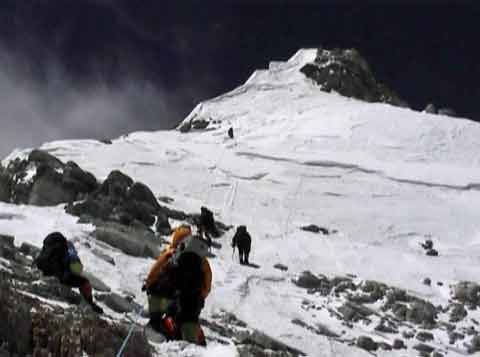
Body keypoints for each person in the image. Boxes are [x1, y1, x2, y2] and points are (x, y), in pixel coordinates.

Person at [143, 225, 212, 345]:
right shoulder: (202, 261)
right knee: (188, 319)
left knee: (158, 304)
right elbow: (207, 284)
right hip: (192, 299)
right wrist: (200, 297)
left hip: (167, 294)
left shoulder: (171, 253)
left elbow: (155, 271)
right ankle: (193, 337)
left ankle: (158, 325)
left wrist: (149, 284)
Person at [34, 232, 103, 314]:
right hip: (60, 275)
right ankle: (90, 304)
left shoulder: (50, 246)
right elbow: (77, 267)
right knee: (85, 282)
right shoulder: (68, 247)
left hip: (45, 270)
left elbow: (40, 258)